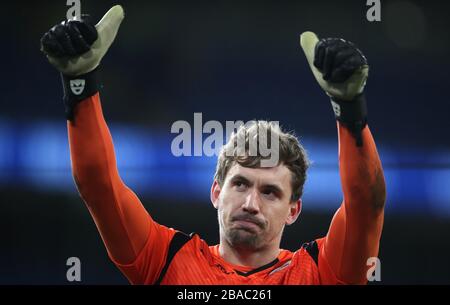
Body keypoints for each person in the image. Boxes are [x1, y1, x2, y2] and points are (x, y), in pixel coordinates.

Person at [40, 5, 386, 284]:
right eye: (240, 184)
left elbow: (366, 205)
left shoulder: (321, 274)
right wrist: (80, 83)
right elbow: (99, 188)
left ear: (293, 210)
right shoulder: (166, 260)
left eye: (270, 192)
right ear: (216, 191)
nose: (251, 203)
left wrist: (349, 107)